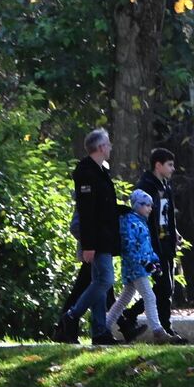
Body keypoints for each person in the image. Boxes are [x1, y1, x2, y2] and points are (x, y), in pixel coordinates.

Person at [57, 128, 122, 345]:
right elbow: (87, 212)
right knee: (105, 280)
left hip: (104, 236)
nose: (111, 147)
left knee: (99, 283)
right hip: (96, 239)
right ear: (101, 147)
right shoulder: (86, 172)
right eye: (108, 144)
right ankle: (72, 315)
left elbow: (105, 207)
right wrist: (89, 244)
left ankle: (99, 331)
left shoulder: (100, 171)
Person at [119, 147, 188, 343]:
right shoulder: (146, 186)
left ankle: (137, 318)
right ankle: (159, 327)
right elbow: (144, 218)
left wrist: (174, 233)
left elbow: (166, 214)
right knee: (162, 287)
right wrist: (147, 246)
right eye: (170, 165)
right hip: (152, 244)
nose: (173, 169)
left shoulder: (165, 186)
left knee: (167, 287)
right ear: (158, 165)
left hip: (166, 242)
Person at [111, 189, 170, 342]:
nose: (150, 208)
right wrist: (145, 263)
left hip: (139, 267)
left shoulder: (141, 222)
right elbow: (129, 248)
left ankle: (104, 326)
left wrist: (155, 261)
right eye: (146, 205)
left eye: (151, 206)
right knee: (150, 296)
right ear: (137, 205)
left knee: (123, 300)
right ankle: (157, 330)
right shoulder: (130, 222)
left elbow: (146, 247)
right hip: (136, 268)